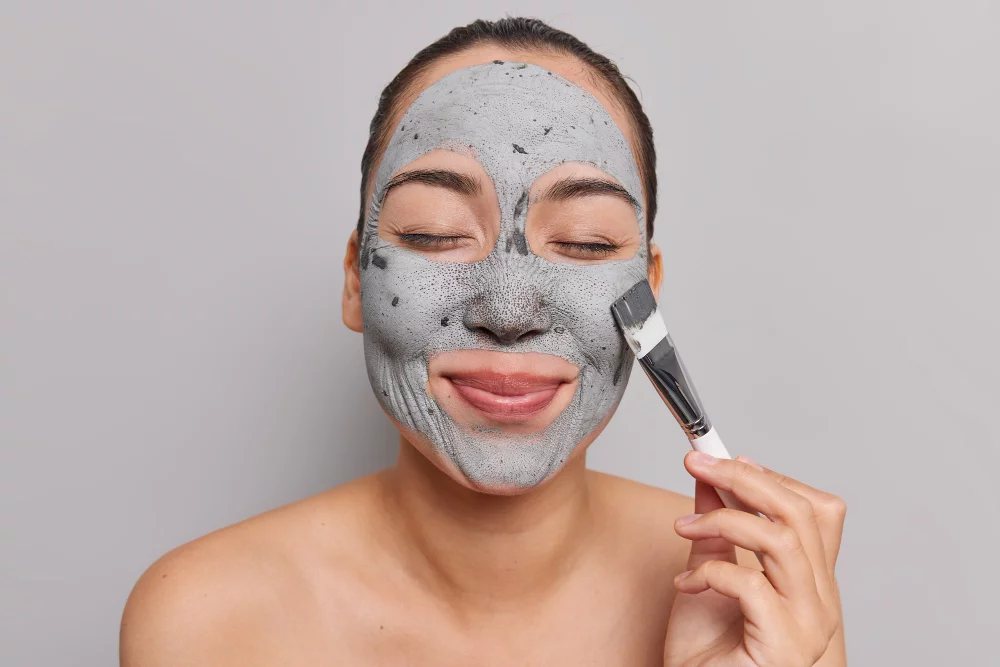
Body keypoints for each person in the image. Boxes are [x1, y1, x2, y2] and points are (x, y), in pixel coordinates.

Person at [120, 18, 846, 666]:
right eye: (434, 232)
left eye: (586, 243)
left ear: (645, 290)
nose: (509, 308)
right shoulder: (209, 618)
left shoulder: (753, 593)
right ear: (354, 277)